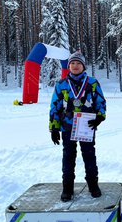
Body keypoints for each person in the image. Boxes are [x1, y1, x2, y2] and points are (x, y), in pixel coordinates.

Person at [49, 51, 106, 202]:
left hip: (87, 126)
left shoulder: (92, 83)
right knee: (68, 156)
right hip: (67, 127)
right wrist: (54, 127)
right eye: (72, 63)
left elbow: (100, 102)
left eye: (78, 63)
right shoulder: (61, 84)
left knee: (89, 155)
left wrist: (100, 116)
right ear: (68, 66)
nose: (75, 66)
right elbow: (55, 106)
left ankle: (93, 184)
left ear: (83, 66)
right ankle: (67, 187)